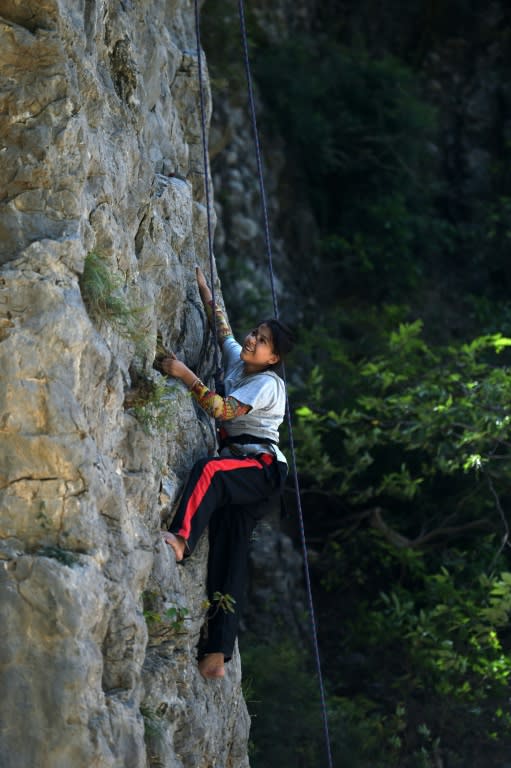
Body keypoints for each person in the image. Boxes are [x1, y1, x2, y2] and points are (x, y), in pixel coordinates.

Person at [160, 266, 294, 680]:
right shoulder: (241, 360)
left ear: (273, 357)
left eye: (263, 341)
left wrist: (183, 373)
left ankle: (181, 540)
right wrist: (204, 287)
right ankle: (216, 654)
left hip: (261, 468)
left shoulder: (268, 383)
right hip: (251, 470)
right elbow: (223, 330)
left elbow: (222, 410)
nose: (252, 340)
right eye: (255, 333)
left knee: (212, 471)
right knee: (229, 552)